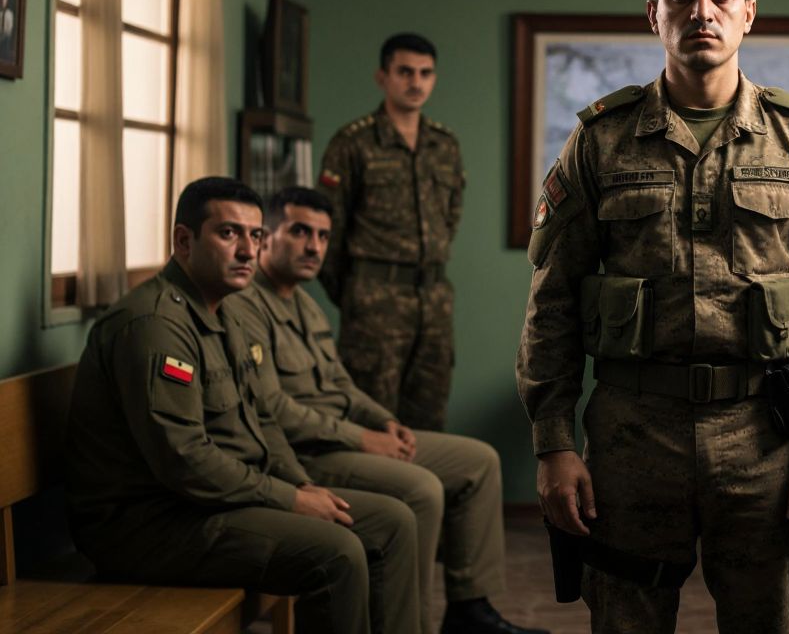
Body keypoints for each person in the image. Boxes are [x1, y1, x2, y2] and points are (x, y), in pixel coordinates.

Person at [516, 0, 789, 633]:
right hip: (632, 437)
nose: (701, 10)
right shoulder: (601, 139)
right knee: (625, 617)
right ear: (653, 15)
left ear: (748, 14)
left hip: (762, 438)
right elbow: (551, 300)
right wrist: (553, 444)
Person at [65, 176, 420, 634]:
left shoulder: (226, 310)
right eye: (229, 233)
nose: (249, 251)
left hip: (207, 503)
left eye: (255, 235)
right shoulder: (155, 324)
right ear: (183, 241)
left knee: (392, 520)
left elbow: (261, 417)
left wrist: (301, 484)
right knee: (337, 552)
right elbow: (184, 460)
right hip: (147, 524)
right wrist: (288, 499)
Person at [228, 186, 546, 634]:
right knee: (421, 489)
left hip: (343, 437)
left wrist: (384, 421)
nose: (314, 246)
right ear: (266, 237)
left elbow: (339, 382)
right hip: (306, 453)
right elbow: (272, 410)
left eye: (322, 236)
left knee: (479, 462)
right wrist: (363, 438)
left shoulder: (302, 302)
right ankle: (407, 625)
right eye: (299, 232)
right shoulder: (243, 307)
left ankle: (469, 610)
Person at [317, 33, 464, 430]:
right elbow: (327, 230)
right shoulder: (353, 143)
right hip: (374, 304)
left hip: (434, 301)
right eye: (405, 72)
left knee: (429, 424)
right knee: (374, 422)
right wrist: (355, 293)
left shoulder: (445, 145)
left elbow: (450, 218)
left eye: (425, 73)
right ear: (382, 77)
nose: (416, 82)